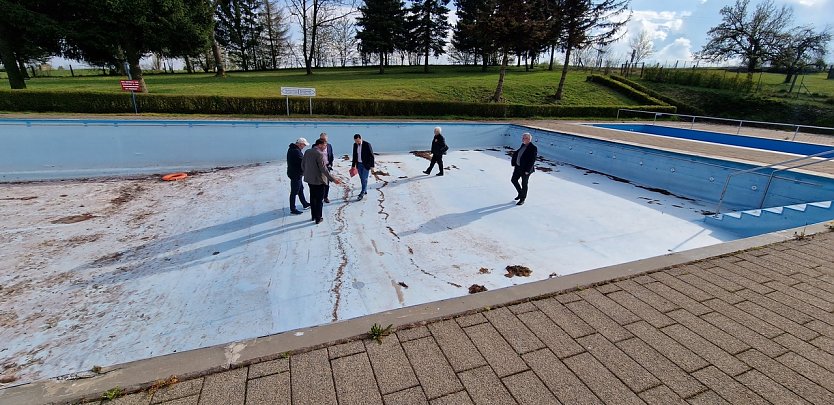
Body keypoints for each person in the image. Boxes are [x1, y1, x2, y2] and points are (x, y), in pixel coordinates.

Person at [303, 139, 341, 224]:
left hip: (310, 179)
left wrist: (307, 173)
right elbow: (324, 170)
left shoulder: (307, 151)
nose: (325, 147)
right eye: (324, 145)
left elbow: (303, 164)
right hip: (319, 180)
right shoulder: (319, 154)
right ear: (319, 145)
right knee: (319, 200)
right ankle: (318, 218)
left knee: (312, 198)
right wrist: (333, 179)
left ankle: (313, 216)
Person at [511, 132, 537, 206]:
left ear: (528, 139)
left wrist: (527, 170)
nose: (523, 139)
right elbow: (519, 154)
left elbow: (532, 160)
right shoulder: (523, 145)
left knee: (524, 184)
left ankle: (522, 199)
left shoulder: (533, 148)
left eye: (524, 138)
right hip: (518, 167)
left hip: (526, 170)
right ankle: (520, 193)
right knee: (513, 180)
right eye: (522, 138)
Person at [287, 137, 310, 215]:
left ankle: (305, 203)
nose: (304, 147)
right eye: (304, 145)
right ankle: (292, 209)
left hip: (295, 173)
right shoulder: (295, 151)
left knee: (300, 189)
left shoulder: (293, 149)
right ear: (300, 144)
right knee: (294, 191)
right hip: (295, 174)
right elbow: (303, 161)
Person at [351, 134, 374, 201]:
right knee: (361, 178)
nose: (357, 142)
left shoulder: (367, 144)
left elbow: (371, 155)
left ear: (361, 139)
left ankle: (362, 192)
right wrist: (353, 166)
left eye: (358, 141)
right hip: (359, 164)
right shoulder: (355, 145)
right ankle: (365, 189)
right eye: (356, 141)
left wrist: (372, 166)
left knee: (364, 178)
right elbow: (354, 155)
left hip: (366, 165)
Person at [319, 132, 335, 203]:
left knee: (327, 183)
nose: (324, 140)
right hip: (318, 167)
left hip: (327, 166)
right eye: (322, 139)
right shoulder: (315, 146)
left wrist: (330, 164)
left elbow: (331, 155)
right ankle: (320, 197)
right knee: (319, 182)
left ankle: (325, 197)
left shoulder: (329, 146)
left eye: (325, 139)